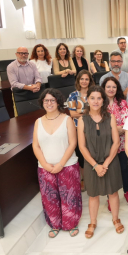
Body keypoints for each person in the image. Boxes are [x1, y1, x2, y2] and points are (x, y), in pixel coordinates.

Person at [32, 88, 81, 238]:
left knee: (69, 197)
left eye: (52, 100)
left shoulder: (67, 119)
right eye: (46, 100)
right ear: (42, 103)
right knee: (49, 197)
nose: (49, 103)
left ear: (58, 102)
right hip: (45, 167)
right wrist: (45, 164)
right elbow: (35, 145)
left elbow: (73, 143)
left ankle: (70, 224)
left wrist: (60, 164)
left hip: (67, 165)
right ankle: (54, 225)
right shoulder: (38, 122)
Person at [78, 85, 123, 237]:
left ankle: (116, 219)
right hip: (92, 163)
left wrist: (106, 163)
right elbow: (82, 147)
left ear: (103, 100)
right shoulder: (82, 120)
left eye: (99, 98)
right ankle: (93, 221)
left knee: (113, 193)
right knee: (93, 194)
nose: (96, 101)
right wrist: (96, 165)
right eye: (92, 98)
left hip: (110, 161)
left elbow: (116, 142)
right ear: (87, 99)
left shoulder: (110, 118)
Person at [102, 76, 128, 207]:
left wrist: (120, 129)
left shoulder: (122, 103)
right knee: (110, 170)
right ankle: (111, 196)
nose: (111, 89)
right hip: (107, 143)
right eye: (108, 86)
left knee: (124, 168)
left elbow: (127, 120)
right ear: (103, 88)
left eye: (114, 86)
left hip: (123, 142)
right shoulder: (100, 104)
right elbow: (100, 123)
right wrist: (114, 130)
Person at [67, 70, 92, 171]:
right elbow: (73, 114)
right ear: (78, 80)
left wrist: (80, 113)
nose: (84, 81)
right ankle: (83, 177)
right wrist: (88, 113)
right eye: (82, 79)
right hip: (77, 129)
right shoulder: (72, 96)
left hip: (92, 127)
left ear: (90, 81)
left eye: (86, 79)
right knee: (80, 154)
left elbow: (98, 111)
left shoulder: (94, 94)